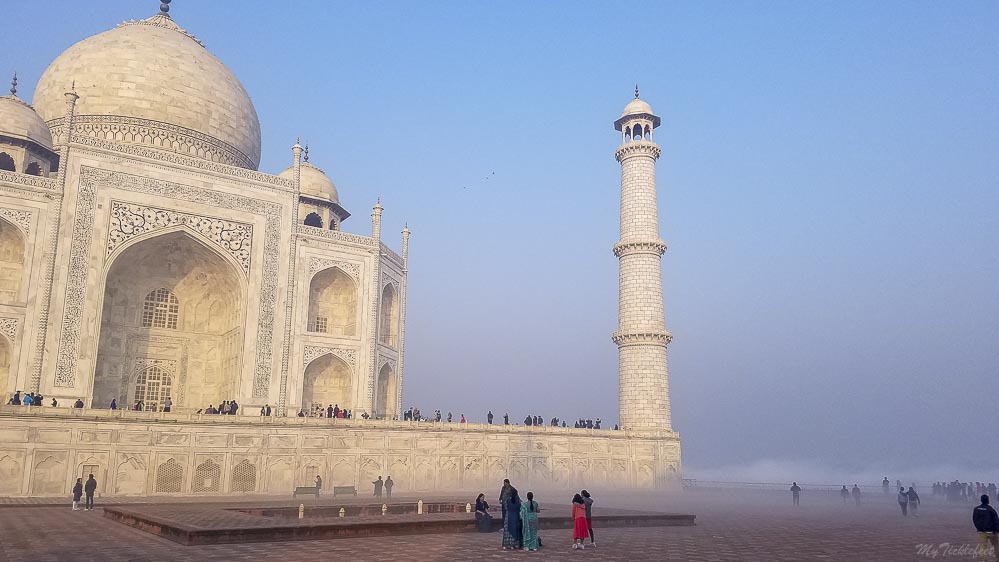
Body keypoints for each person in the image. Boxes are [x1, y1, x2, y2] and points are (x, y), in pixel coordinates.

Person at [974, 494, 999, 560]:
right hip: (991, 531)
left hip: (981, 531)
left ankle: (983, 559)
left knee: (983, 546)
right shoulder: (991, 509)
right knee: (996, 545)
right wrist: (996, 530)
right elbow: (996, 520)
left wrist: (978, 528)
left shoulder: (976, 509)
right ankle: (998, 558)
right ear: (988, 500)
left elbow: (974, 519)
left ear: (981, 500)